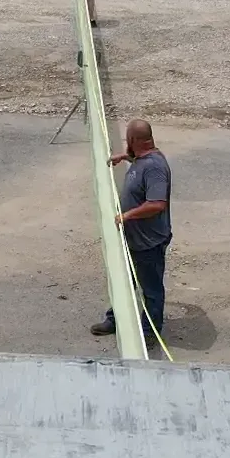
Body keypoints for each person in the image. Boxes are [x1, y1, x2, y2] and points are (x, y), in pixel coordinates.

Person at [92, 119, 172, 343]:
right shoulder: (144, 159)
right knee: (124, 281)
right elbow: (140, 162)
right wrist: (126, 158)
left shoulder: (155, 167)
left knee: (151, 289)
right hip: (133, 238)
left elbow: (157, 204)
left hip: (149, 243)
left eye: (128, 139)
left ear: (134, 140)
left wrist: (126, 216)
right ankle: (115, 320)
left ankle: (149, 333)